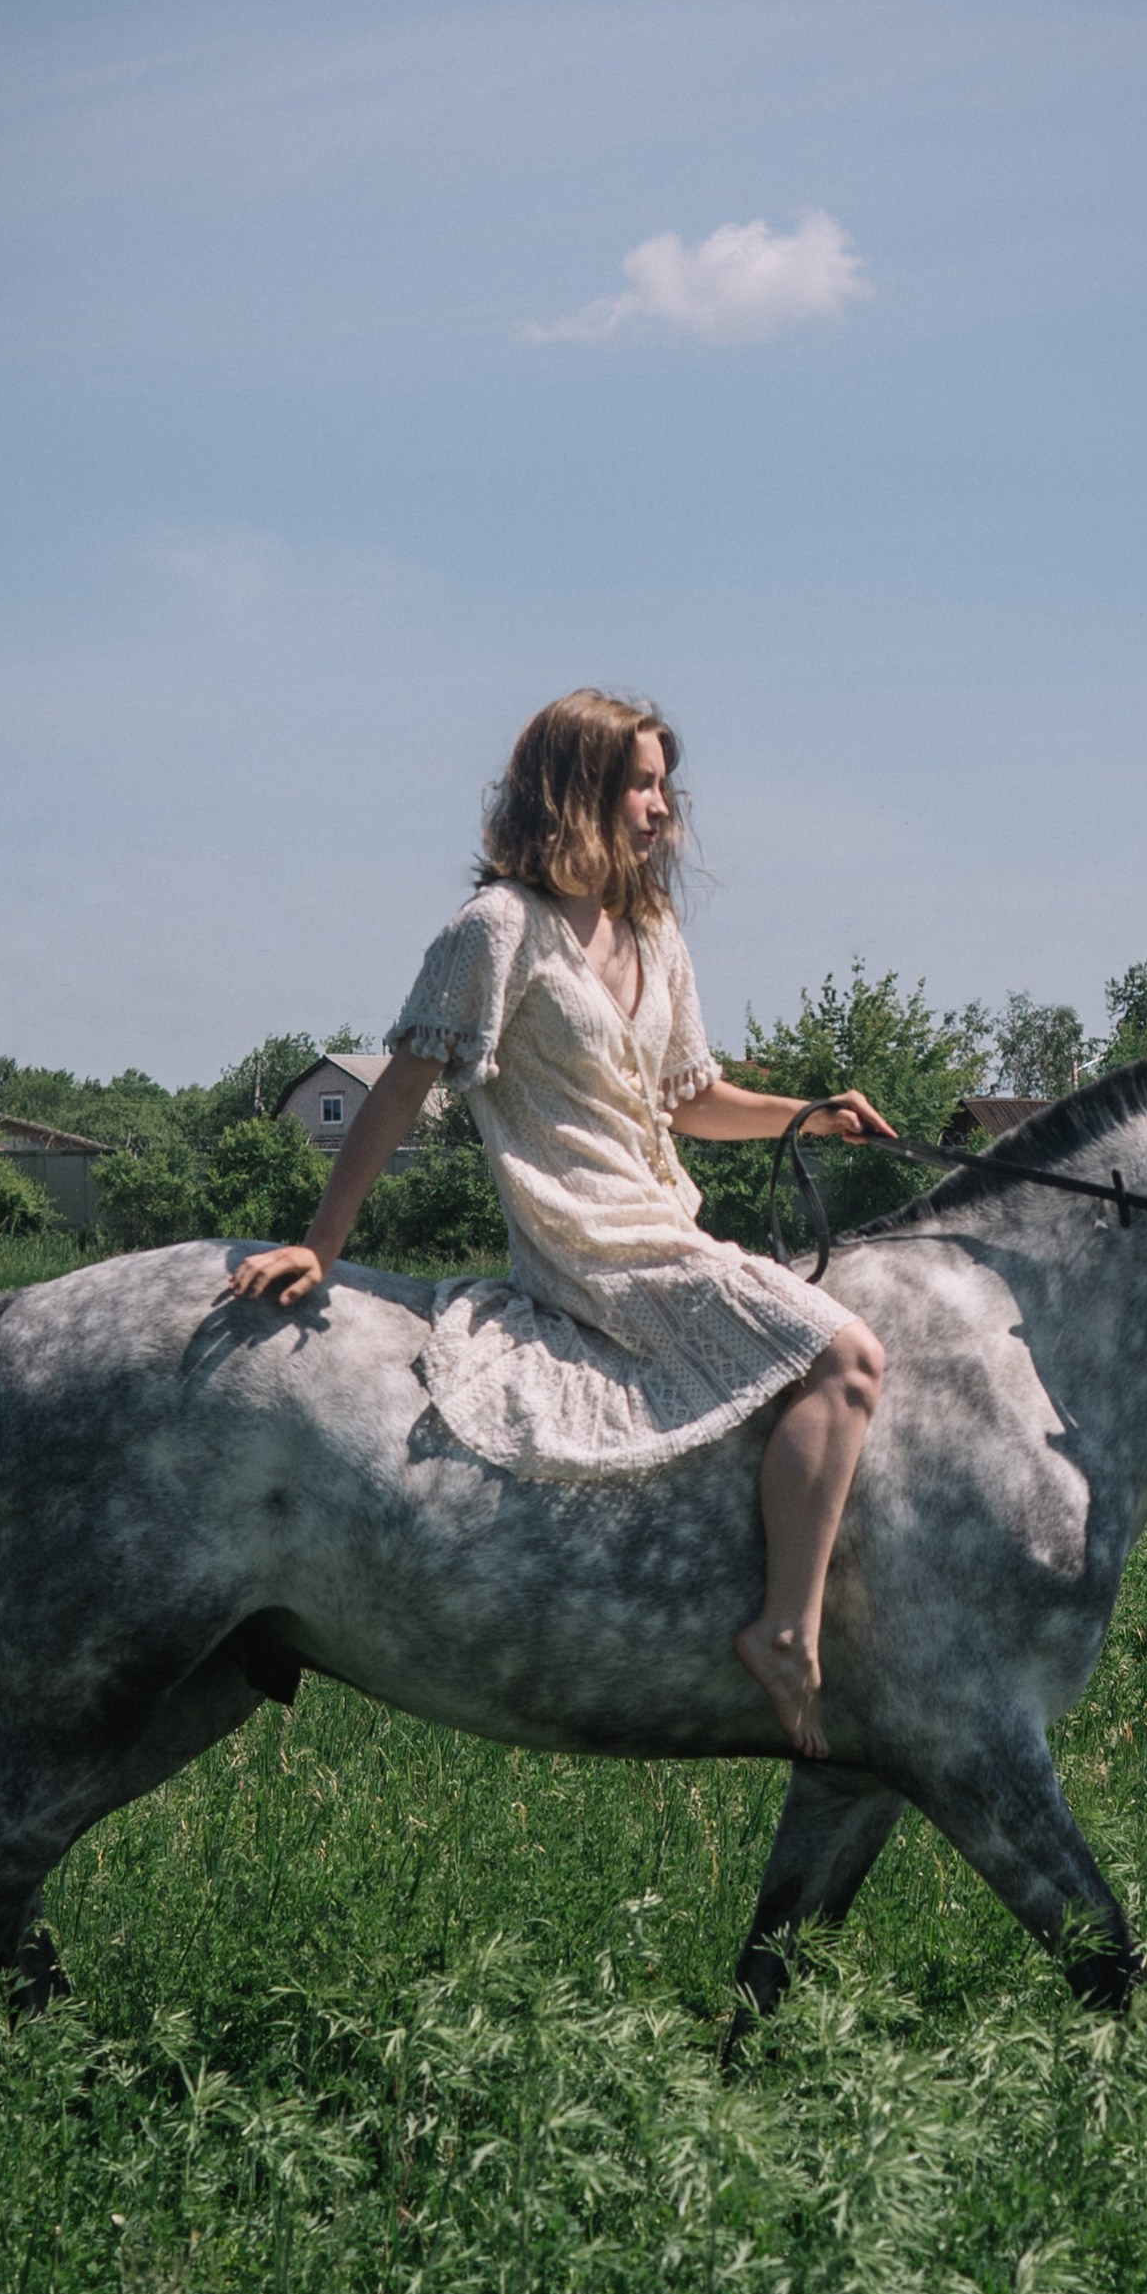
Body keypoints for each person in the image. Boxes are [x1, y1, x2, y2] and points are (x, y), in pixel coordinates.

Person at [233, 692, 892, 1755]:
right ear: (574, 789)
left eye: (663, 784)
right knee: (848, 1358)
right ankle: (783, 1631)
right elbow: (398, 1091)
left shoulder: (651, 931)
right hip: (586, 1244)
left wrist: (808, 1117)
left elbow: (687, 1098)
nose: (660, 808)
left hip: (667, 1226)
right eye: (638, 783)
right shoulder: (497, 928)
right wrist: (323, 1242)